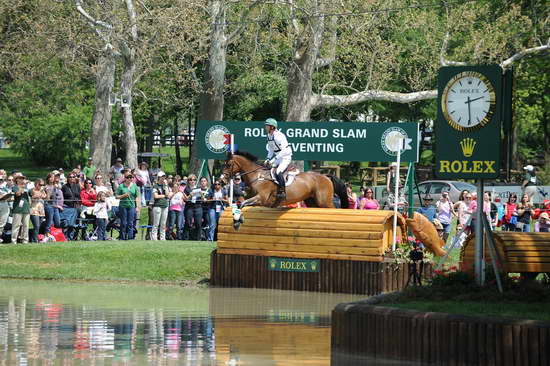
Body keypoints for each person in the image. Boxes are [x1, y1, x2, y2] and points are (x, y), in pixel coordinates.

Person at [264, 118, 292, 200]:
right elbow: (271, 149)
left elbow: (284, 150)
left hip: (285, 157)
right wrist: (268, 159)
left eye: (267, 126)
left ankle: (283, 192)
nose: (265, 127)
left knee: (278, 171)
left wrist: (273, 159)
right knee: (268, 170)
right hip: (278, 157)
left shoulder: (279, 136)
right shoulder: (269, 136)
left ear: (272, 127)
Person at [115, 173, 139, 240]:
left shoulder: (134, 186)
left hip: (132, 206)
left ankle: (130, 237)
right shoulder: (121, 186)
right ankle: (122, 237)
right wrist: (124, 195)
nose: (130, 179)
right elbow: (116, 197)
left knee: (130, 223)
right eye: (128, 177)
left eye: (131, 177)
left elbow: (136, 197)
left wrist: (137, 206)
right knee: (123, 223)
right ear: (125, 178)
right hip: (123, 206)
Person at [184, 175, 207, 241]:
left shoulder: (199, 188)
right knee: (188, 222)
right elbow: (186, 199)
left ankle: (198, 238)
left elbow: (202, 199)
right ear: (188, 181)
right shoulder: (186, 189)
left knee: (198, 223)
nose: (192, 181)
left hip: (198, 207)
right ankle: (186, 238)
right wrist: (190, 195)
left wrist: (201, 194)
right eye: (191, 180)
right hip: (189, 207)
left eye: (194, 180)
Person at [151, 172, 172, 241]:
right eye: (162, 177)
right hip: (157, 206)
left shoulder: (165, 186)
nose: (163, 178)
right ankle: (154, 237)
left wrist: (166, 186)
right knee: (156, 223)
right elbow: (155, 196)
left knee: (163, 224)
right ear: (159, 177)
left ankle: (163, 238)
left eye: (164, 177)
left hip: (165, 205)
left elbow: (168, 195)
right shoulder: (155, 186)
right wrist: (164, 196)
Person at [11, 176, 31, 244]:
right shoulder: (15, 187)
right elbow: (18, 194)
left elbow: (32, 194)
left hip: (26, 209)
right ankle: (13, 241)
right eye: (21, 178)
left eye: (23, 178)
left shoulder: (27, 188)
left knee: (26, 226)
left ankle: (25, 240)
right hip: (17, 210)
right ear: (17, 180)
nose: (23, 180)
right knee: (16, 226)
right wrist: (22, 186)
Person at [0, 171, 12, 236]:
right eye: (0, 180)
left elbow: (9, 197)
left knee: (3, 221)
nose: (1, 181)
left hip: (4, 203)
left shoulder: (5, 188)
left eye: (2, 180)